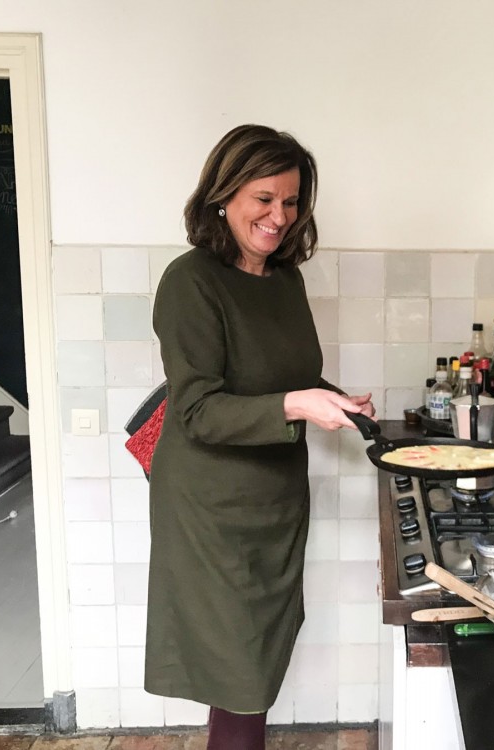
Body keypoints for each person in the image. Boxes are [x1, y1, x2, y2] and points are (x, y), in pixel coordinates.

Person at [144, 124, 375, 750]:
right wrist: (298, 404)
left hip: (274, 499)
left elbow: (286, 378)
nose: (280, 216)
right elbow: (196, 410)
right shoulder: (190, 281)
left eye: (292, 201)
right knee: (240, 673)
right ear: (225, 195)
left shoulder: (284, 279)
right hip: (211, 510)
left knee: (254, 669)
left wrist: (331, 396)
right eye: (264, 198)